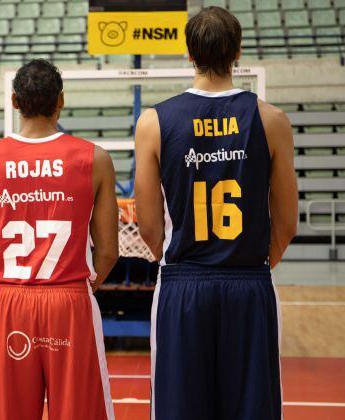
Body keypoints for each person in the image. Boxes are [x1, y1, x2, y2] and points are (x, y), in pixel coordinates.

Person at [134, 7, 298, 420]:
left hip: (183, 284)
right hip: (249, 283)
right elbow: (287, 222)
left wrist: (180, 263)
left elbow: (149, 227)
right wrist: (250, 264)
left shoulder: (154, 121)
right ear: (238, 51)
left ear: (188, 54)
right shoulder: (272, 119)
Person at [0, 59, 118, 420]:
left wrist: (14, 281)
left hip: (11, 299)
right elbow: (109, 250)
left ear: (15, 102)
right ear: (60, 100)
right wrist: (85, 288)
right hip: (70, 299)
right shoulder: (94, 158)